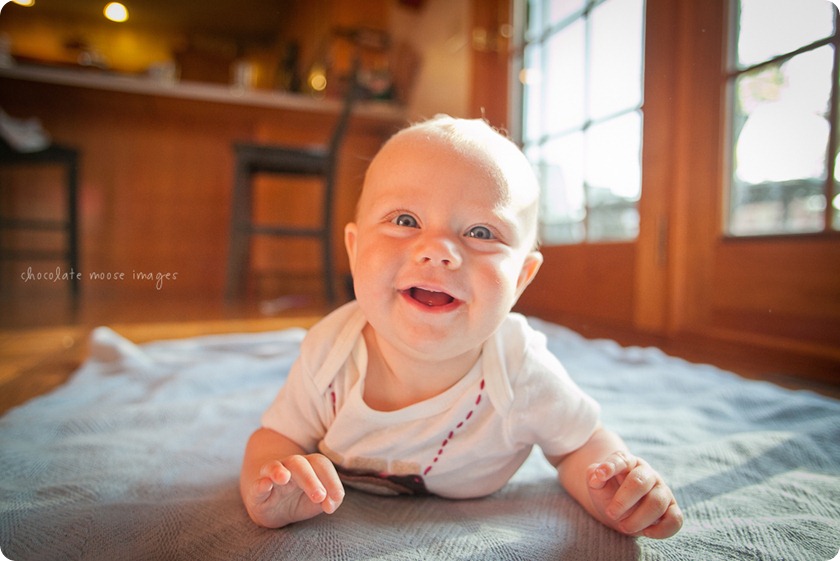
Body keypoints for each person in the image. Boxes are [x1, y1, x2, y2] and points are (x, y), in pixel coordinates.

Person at [240, 115, 683, 539]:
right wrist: (273, 482)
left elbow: (579, 445)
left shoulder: (520, 370)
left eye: (481, 232)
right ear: (355, 251)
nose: (437, 251)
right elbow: (277, 437)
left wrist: (613, 489)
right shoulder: (330, 352)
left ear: (521, 279)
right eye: (405, 220)